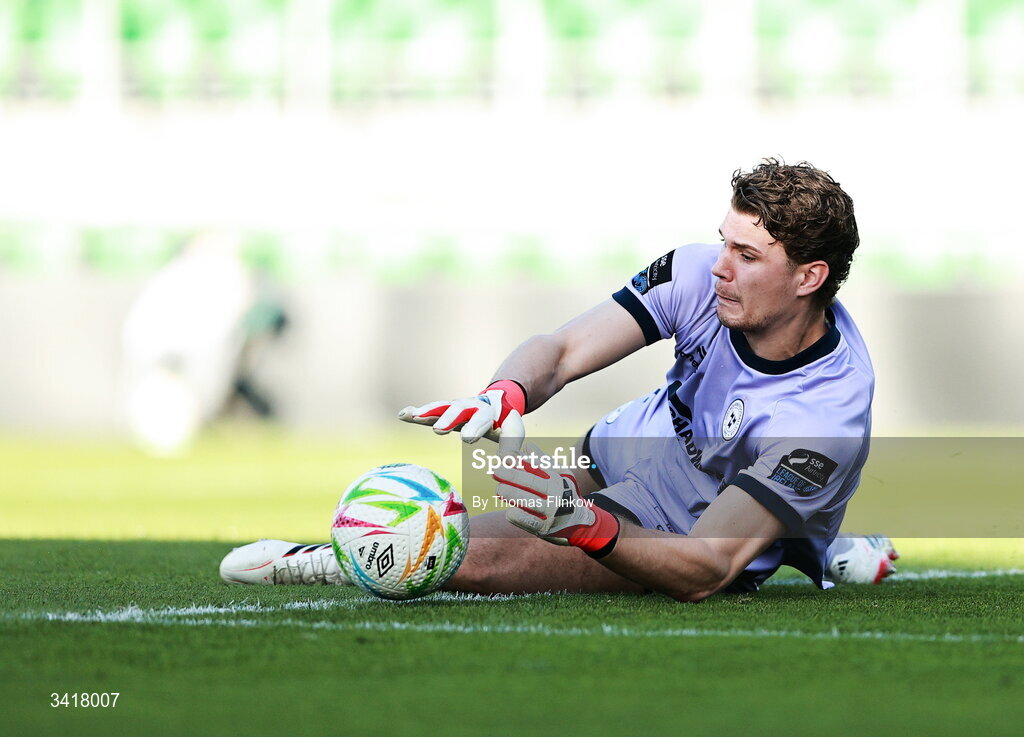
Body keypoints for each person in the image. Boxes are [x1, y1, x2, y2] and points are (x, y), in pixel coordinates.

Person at [220, 159, 898, 597]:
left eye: (746, 254)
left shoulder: (824, 416)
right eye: (723, 240)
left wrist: (583, 524)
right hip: (635, 443)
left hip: (691, 520)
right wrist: (503, 395)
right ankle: (821, 530)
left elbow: (707, 566)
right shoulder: (703, 274)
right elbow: (565, 348)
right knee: (474, 507)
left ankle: (320, 558)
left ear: (810, 276)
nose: (720, 265)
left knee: (479, 561)